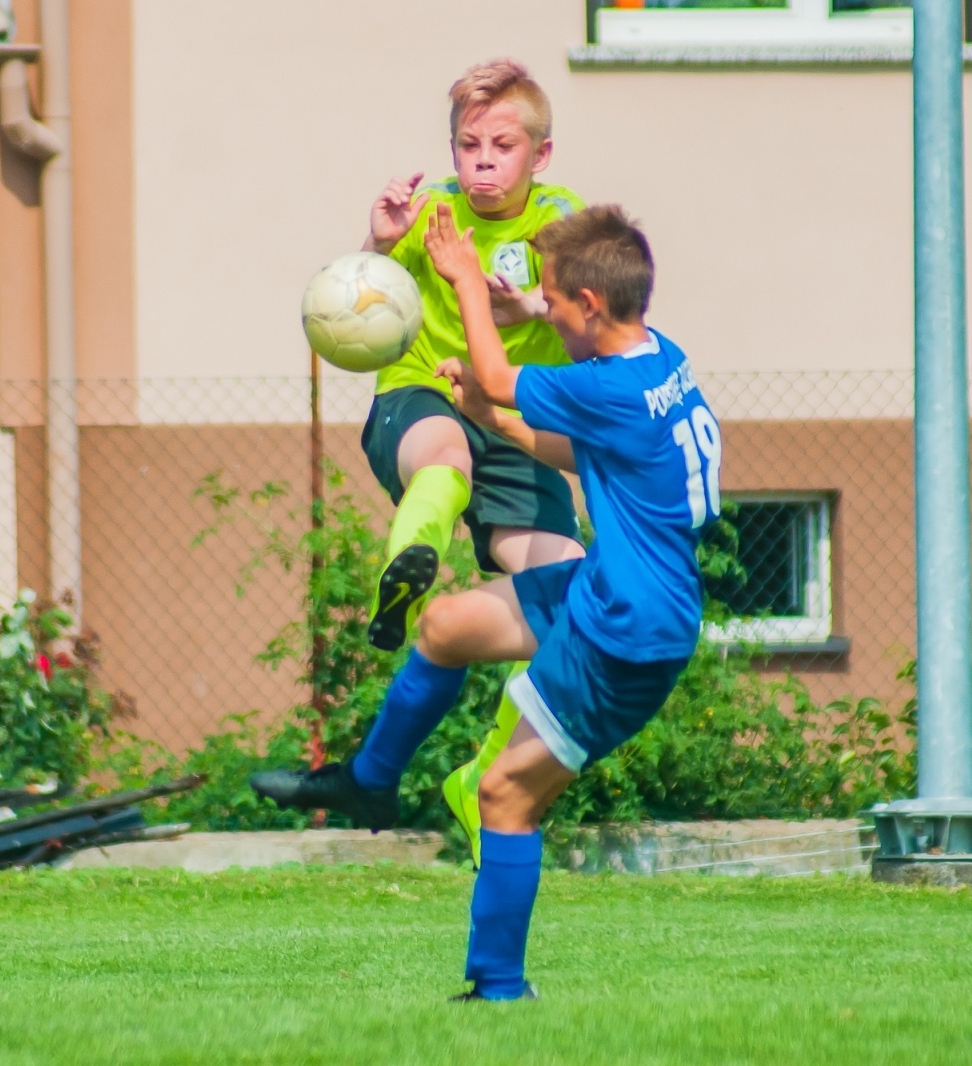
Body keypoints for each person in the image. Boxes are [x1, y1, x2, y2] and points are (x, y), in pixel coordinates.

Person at [259, 202, 723, 1001]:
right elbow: (580, 452)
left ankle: (500, 991)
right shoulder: (659, 360)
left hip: (623, 631)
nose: (542, 307)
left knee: (502, 796)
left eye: (550, 298)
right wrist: (484, 417)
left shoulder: (612, 383)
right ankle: (371, 781)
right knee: (443, 625)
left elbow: (502, 372)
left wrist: (467, 282)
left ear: (591, 306)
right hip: (619, 590)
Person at [325, 59, 589, 859]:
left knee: (574, 601)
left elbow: (583, 298)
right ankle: (409, 563)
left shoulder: (561, 219)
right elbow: (356, 305)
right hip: (424, 399)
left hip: (511, 421)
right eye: (467, 144)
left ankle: (481, 775)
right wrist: (375, 244)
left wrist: (532, 304)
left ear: (539, 157)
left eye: (501, 145)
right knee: (445, 457)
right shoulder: (431, 211)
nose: (481, 160)